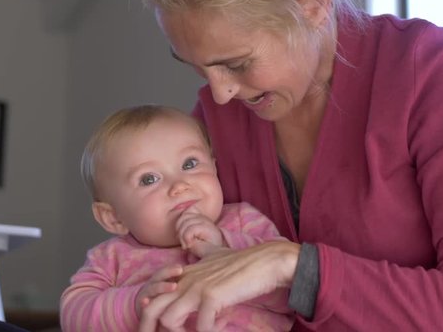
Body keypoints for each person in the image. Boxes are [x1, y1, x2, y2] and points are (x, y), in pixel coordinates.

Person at [119, 0, 443, 331]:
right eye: (193, 64)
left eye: (238, 63)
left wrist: (290, 266)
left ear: (314, 7)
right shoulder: (213, 119)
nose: (220, 94)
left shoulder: (432, 71)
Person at [60, 105, 294, 331]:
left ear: (214, 169)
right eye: (149, 179)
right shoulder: (111, 258)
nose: (180, 185)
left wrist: (224, 245)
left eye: (190, 164)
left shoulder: (243, 222)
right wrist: (135, 304)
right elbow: (73, 316)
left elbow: (291, 293)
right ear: (114, 218)